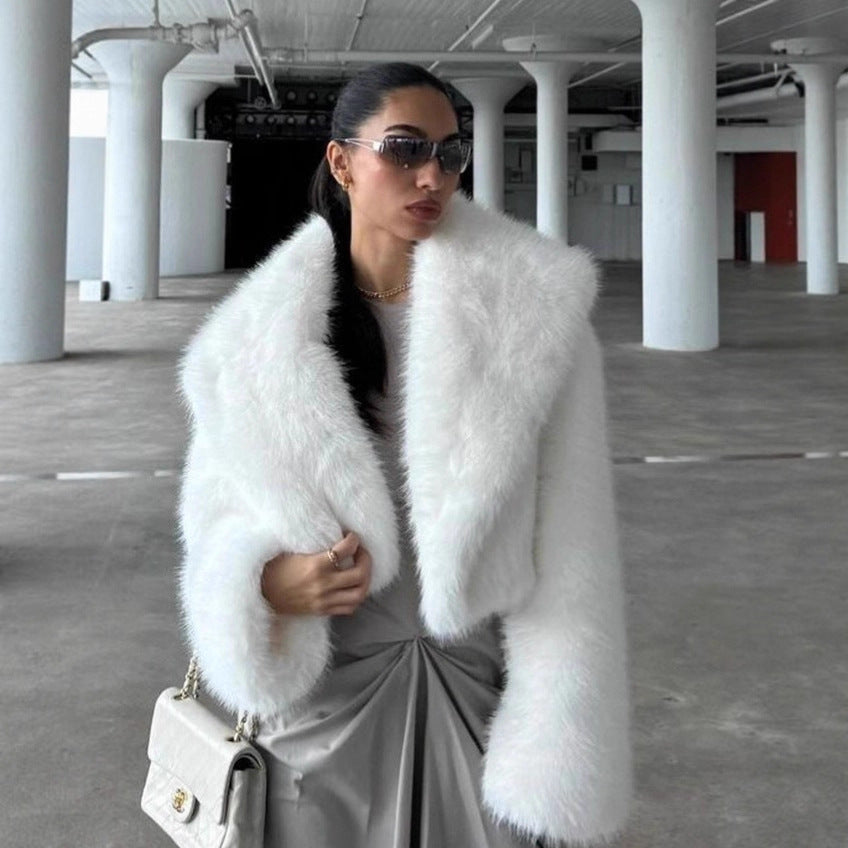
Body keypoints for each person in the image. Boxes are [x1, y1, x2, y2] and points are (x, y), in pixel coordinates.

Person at [175, 62, 632, 848]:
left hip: (479, 698)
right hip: (317, 707)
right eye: (404, 148)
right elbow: (213, 519)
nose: (432, 174)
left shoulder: (532, 323)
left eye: (450, 154)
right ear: (342, 161)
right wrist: (263, 582)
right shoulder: (256, 344)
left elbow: (574, 547)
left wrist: (561, 734)